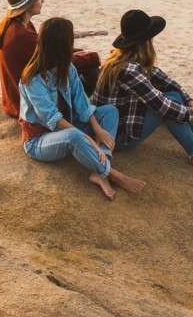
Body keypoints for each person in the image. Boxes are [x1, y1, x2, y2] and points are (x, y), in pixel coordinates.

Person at [92, 9, 193, 176]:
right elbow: (159, 105)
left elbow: (170, 83)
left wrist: (192, 104)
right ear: (146, 42)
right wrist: (192, 114)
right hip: (117, 138)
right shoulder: (128, 70)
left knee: (173, 96)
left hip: (122, 125)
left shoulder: (126, 59)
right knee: (168, 107)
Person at [18, 17, 145, 200]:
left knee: (109, 111)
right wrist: (90, 139)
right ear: (60, 45)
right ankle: (113, 174)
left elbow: (82, 102)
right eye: (70, 39)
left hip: (69, 124)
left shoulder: (66, 67)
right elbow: (52, 119)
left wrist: (97, 129)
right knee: (75, 135)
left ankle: (100, 169)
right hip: (40, 138)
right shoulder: (32, 79)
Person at [0, 0, 99, 119]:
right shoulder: (21, 35)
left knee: (83, 60)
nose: (42, 1)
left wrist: (81, 52)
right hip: (24, 103)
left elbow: (51, 49)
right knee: (90, 67)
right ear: (29, 4)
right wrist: (92, 57)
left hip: (19, 96)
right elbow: (56, 61)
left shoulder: (19, 24)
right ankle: (93, 109)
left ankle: (87, 107)